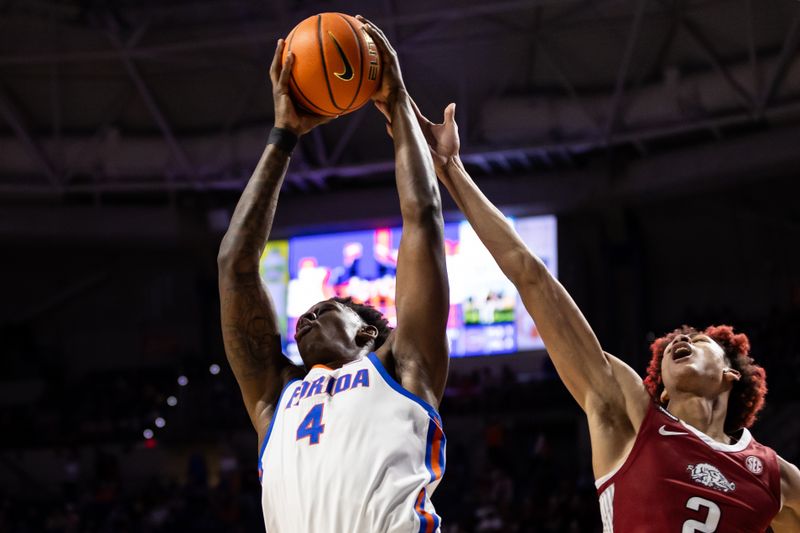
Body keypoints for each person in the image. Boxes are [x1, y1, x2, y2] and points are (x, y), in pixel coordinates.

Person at [390, 101, 800, 531]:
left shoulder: (774, 476)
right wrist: (451, 169)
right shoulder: (627, 413)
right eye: (673, 343)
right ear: (660, 393)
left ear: (731, 374)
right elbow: (531, 276)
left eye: (698, 339)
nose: (683, 339)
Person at [216, 16, 450, 533]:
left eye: (326, 309)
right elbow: (234, 263)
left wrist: (397, 101)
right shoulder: (272, 399)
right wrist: (283, 135)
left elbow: (422, 220)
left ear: (369, 331)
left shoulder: (404, 365)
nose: (307, 315)